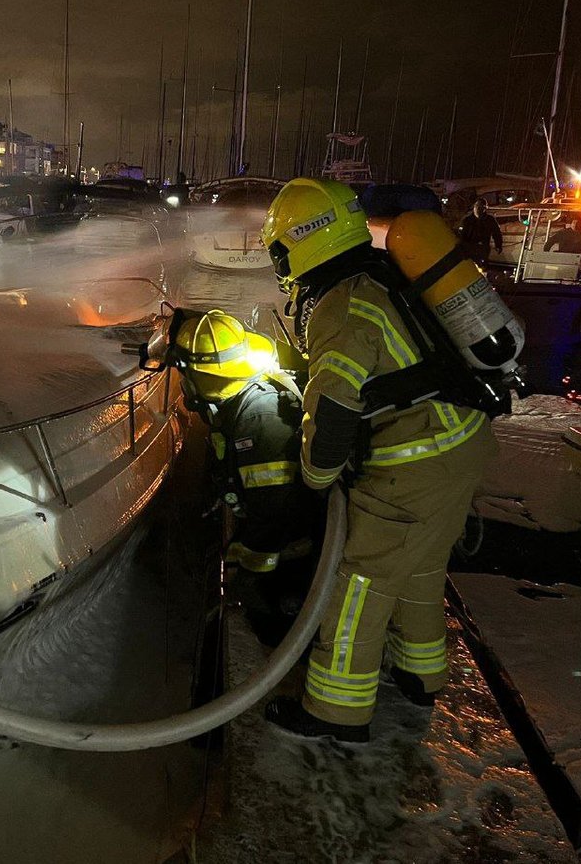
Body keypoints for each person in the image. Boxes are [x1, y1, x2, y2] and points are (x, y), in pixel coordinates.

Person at [259, 177, 497, 743]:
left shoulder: (340, 303)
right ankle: (422, 675)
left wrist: (317, 477)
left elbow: (334, 405)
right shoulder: (379, 274)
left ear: (298, 242)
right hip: (460, 444)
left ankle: (335, 712)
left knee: (359, 583)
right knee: (418, 567)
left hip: (413, 464)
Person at [170, 310, 313, 579]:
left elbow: (273, 514)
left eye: (184, 372)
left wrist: (245, 571)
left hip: (284, 561)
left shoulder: (259, 422)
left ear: (203, 377)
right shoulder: (237, 403)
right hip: (268, 531)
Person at [458, 199, 503, 265]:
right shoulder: (467, 220)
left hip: (483, 248)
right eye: (476, 206)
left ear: (484, 208)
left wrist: (498, 245)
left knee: (482, 266)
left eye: (481, 207)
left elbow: (496, 233)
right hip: (469, 247)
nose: (478, 209)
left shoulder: (490, 220)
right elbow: (462, 235)